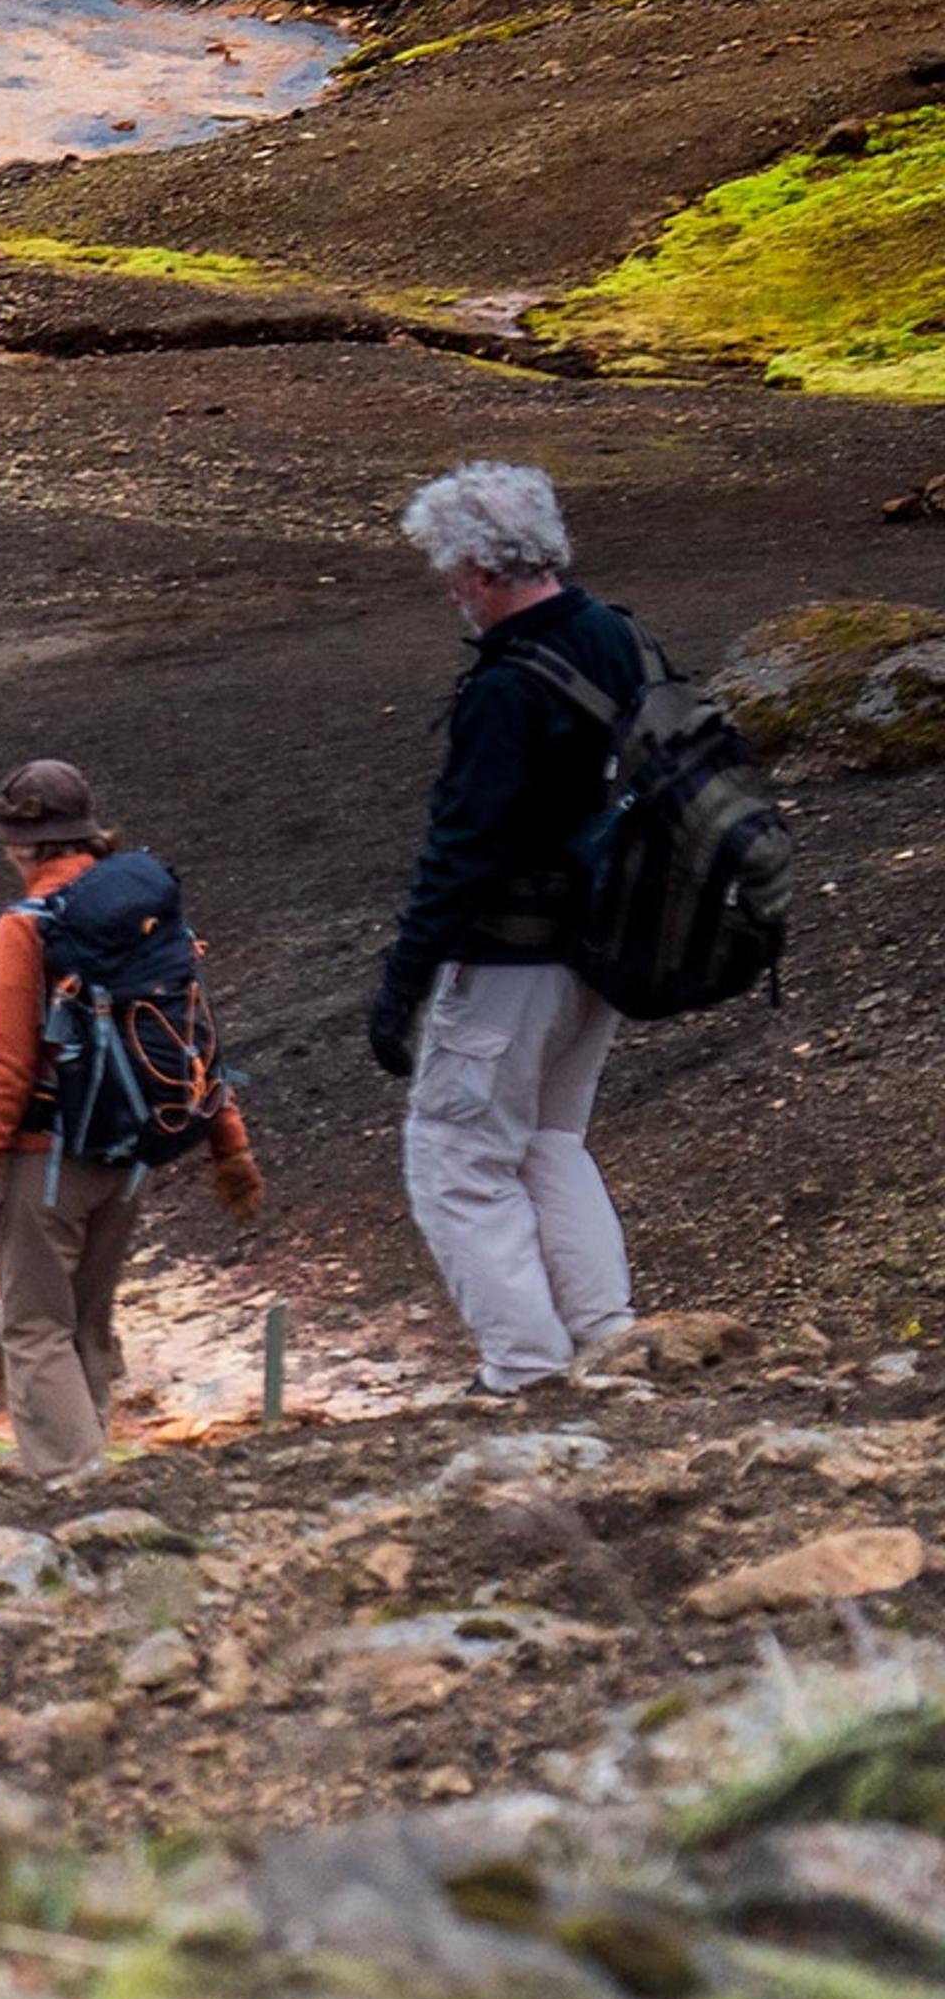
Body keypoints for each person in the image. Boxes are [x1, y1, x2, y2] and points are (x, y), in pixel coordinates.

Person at [367, 462, 649, 1393]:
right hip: (606, 947)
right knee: (548, 1141)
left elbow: (462, 847)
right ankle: (608, 1336)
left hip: (510, 956)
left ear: (483, 568)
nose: (449, 589)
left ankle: (525, 1371)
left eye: (449, 570)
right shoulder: (619, 637)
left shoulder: (508, 688)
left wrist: (403, 986)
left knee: (456, 1158)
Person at [0, 761, 263, 1484]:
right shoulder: (149, 912)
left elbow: (5, 1066)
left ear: (22, 845)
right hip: (132, 1158)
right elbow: (195, 1038)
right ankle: (77, 1457)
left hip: (47, 1156)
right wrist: (230, 1148)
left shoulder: (27, 927)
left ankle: (72, 1480)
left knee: (34, 1329)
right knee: (88, 1324)